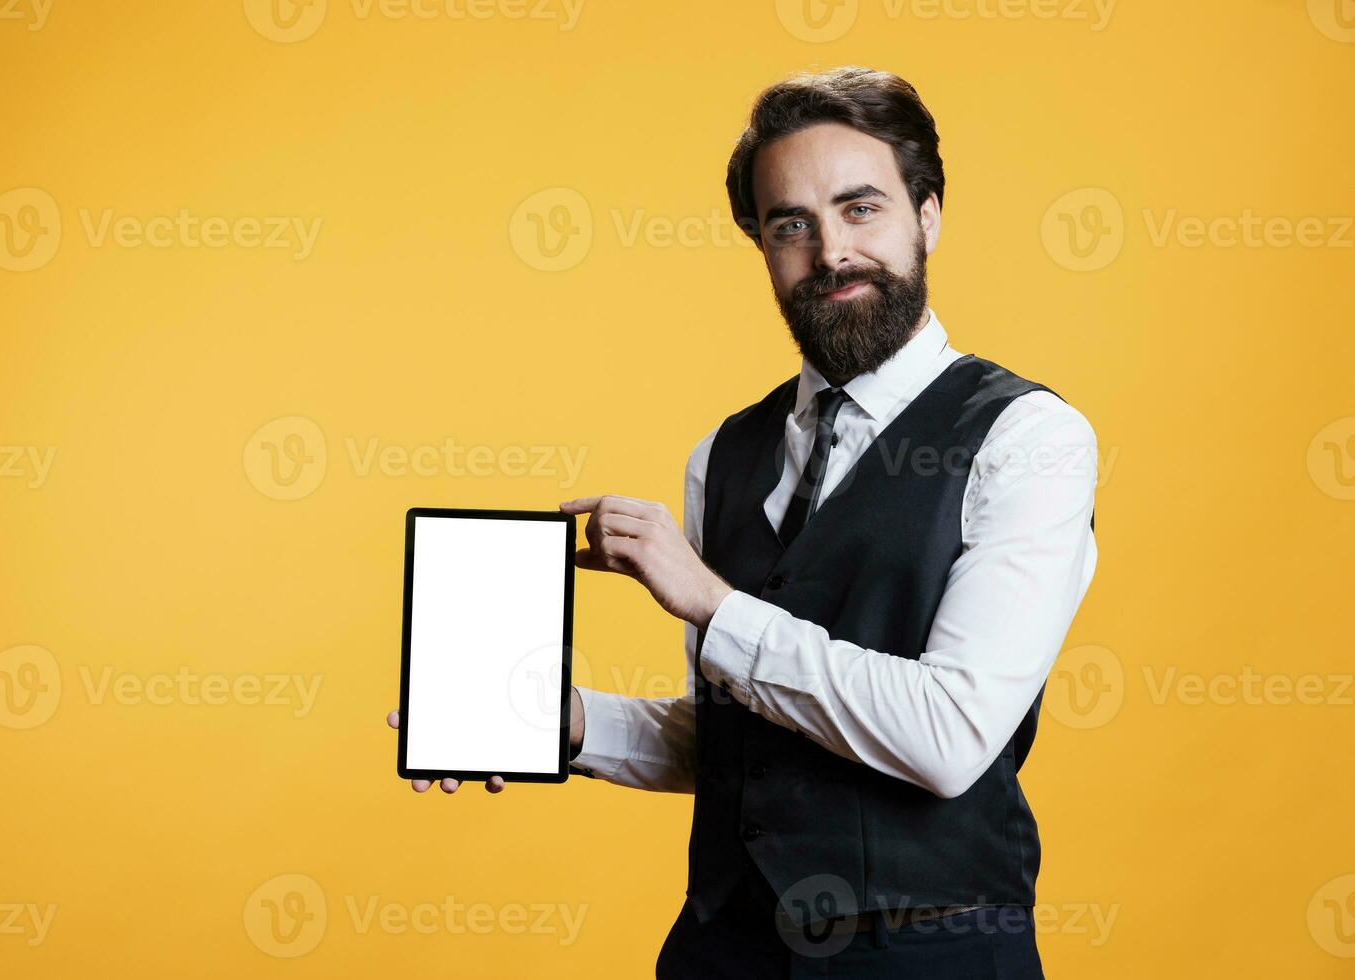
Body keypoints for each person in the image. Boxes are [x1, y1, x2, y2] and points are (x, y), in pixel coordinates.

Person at [389, 66, 1097, 978]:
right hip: (725, 951)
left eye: (861, 209)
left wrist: (714, 605)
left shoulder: (1029, 438)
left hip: (931, 953)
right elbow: (740, 733)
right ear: (760, 244)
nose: (830, 251)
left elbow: (950, 734)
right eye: (790, 224)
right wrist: (559, 724)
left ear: (928, 215)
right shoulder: (723, 455)